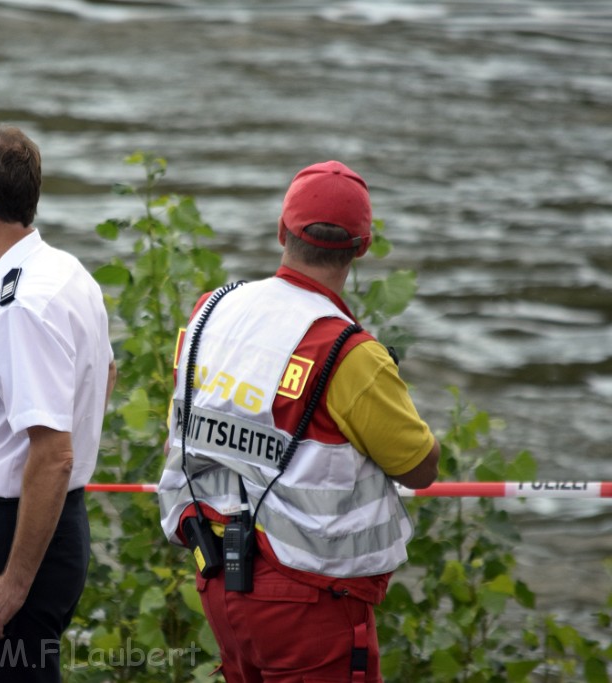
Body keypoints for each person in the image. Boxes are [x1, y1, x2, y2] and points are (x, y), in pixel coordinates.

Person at [157, 160, 440, 682]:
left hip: (218, 577)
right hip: (310, 602)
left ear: (281, 231)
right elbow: (420, 469)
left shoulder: (211, 311)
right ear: (362, 246)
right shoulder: (350, 354)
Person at [0, 125, 116, 681]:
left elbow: (53, 452)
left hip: (11, 534)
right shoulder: (65, 272)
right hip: (49, 521)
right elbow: (104, 375)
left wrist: (13, 581)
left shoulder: (21, 305)